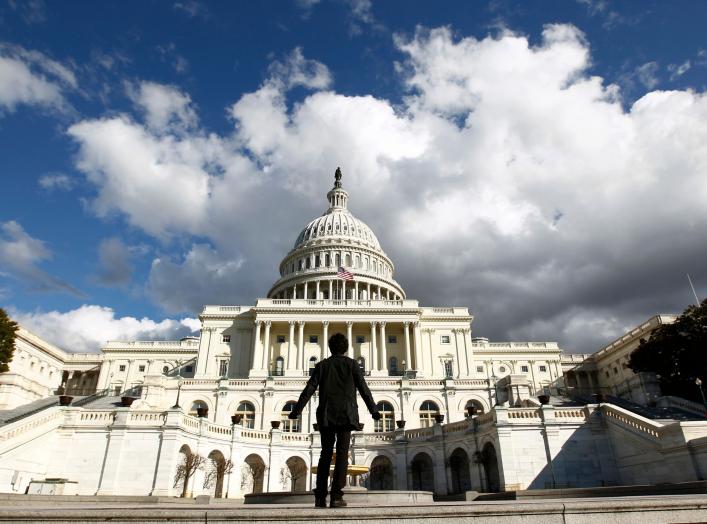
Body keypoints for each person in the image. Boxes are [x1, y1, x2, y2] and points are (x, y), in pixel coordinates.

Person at [288, 332, 380, 508]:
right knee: (343, 454)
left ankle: (320, 496)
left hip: (326, 415)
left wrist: (297, 410)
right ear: (345, 348)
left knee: (325, 454)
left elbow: (309, 389)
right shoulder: (352, 365)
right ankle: (337, 495)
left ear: (330, 348)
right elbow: (364, 389)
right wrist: (374, 411)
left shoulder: (322, 365)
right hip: (346, 415)